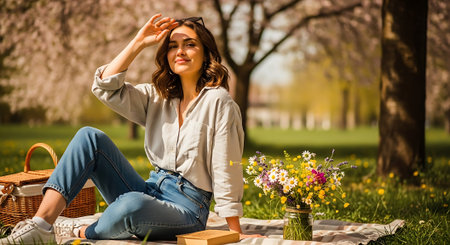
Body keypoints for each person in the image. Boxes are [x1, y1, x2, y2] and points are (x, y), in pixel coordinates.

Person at [1, 14, 260, 244]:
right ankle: (41, 225)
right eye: (172, 46)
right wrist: (138, 43)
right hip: (150, 189)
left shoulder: (219, 101)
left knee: (132, 204)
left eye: (189, 44)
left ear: (206, 53)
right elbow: (104, 87)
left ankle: (80, 231)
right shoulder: (158, 96)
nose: (180, 51)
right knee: (89, 137)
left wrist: (234, 230)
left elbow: (227, 166)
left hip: (188, 208)